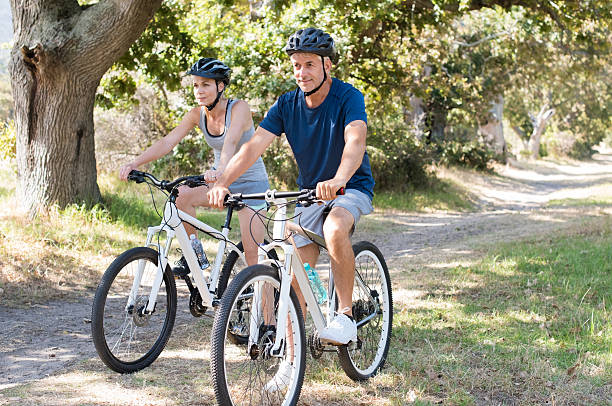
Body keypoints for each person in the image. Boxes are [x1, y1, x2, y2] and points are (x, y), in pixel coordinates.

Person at [209, 28, 374, 347]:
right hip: (309, 193)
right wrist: (223, 181)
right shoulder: (286, 105)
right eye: (297, 65)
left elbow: (355, 140)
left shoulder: (348, 96)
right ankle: (291, 351)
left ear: (328, 65)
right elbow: (252, 148)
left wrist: (339, 178)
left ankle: (345, 315)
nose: (302, 72)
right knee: (295, 272)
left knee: (335, 228)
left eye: (309, 64)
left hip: (350, 186)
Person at [119, 57, 269, 272]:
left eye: (205, 84)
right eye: (196, 85)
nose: (199, 90)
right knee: (181, 194)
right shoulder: (196, 114)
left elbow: (231, 142)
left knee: (253, 259)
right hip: (219, 181)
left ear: (221, 86)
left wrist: (220, 172)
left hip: (250, 185)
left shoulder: (239, 108)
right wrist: (135, 162)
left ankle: (265, 305)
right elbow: (167, 142)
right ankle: (195, 254)